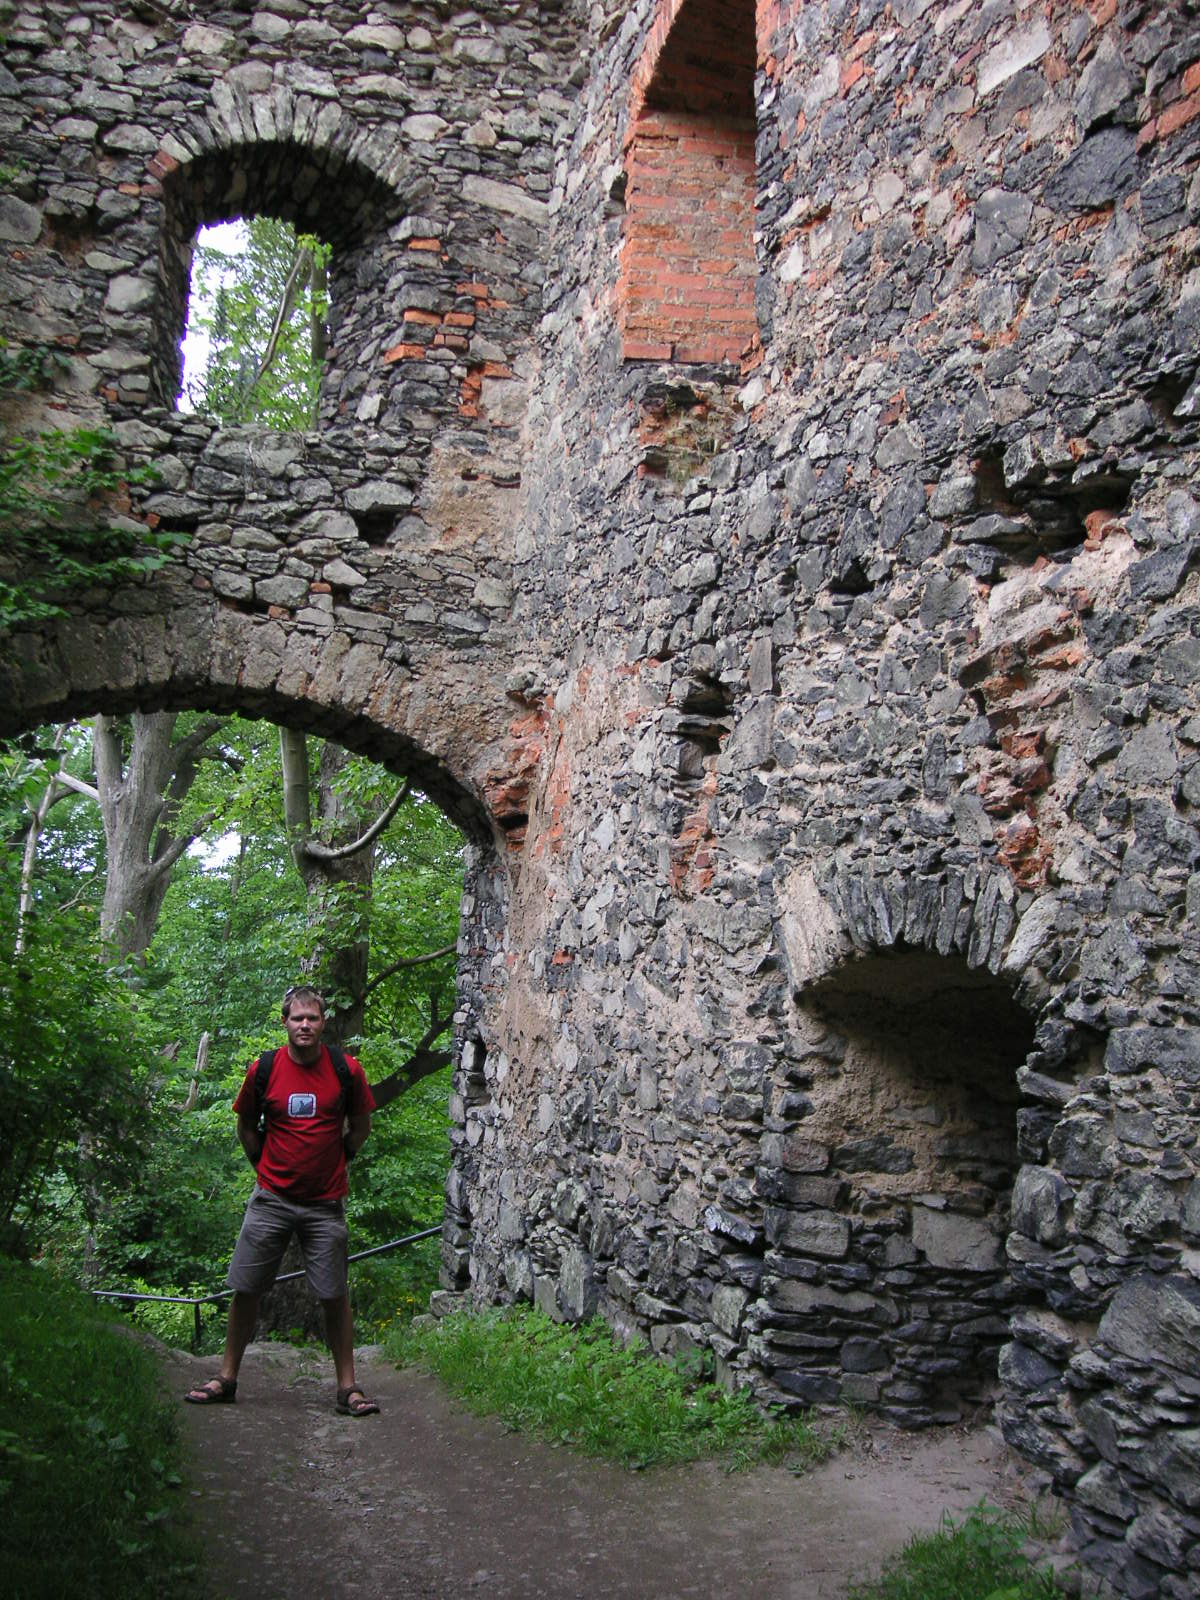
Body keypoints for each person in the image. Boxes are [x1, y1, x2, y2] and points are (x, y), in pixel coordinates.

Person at [183, 984, 380, 1417]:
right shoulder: (265, 1068)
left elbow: (361, 1125)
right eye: (297, 1018)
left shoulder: (346, 1069)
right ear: (285, 1022)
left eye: (312, 1018)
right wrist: (263, 1166)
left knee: (334, 1294)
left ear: (323, 1023)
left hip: (325, 1203)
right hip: (271, 1198)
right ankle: (227, 1378)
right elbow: (246, 1125)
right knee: (246, 1288)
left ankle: (348, 1387)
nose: (305, 1025)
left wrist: (339, 1159)